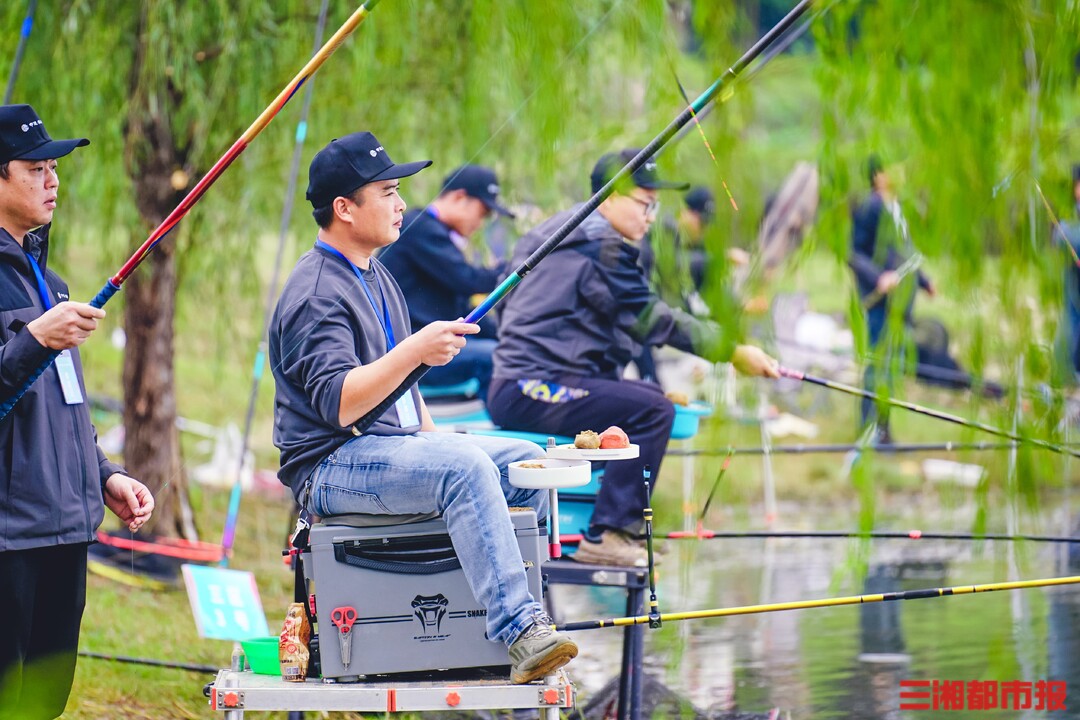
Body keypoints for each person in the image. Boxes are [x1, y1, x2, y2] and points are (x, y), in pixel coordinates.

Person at [268, 131, 577, 684]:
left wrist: (434, 435)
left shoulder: (376, 272)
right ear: (344, 208)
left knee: (527, 461)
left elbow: (405, 393)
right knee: (464, 469)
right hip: (332, 464)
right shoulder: (316, 291)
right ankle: (520, 628)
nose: (402, 203)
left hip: (388, 448)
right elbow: (339, 405)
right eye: (386, 191)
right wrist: (417, 350)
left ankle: (505, 622)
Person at [487, 149, 780, 567]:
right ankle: (608, 534)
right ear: (609, 197)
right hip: (530, 387)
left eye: (656, 206)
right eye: (645, 204)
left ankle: (611, 525)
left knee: (646, 395)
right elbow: (652, 319)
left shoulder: (551, 233)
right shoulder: (599, 245)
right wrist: (732, 351)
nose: (651, 217)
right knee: (653, 410)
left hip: (524, 382)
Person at [0, 104, 154, 719]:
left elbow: (65, 407)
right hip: (9, 538)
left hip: (65, 529)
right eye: (36, 168)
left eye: (55, 167)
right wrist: (35, 338)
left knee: (44, 703)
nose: (53, 180)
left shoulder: (50, 282)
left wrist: (104, 474)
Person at [380, 165, 512, 401]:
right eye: (482, 213)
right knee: (495, 357)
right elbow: (468, 280)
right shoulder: (419, 228)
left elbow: (463, 310)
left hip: (436, 342)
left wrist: (508, 336)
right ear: (460, 198)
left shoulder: (435, 234)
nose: (480, 223)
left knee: (506, 348)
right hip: (409, 353)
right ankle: (506, 424)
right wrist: (515, 269)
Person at [849, 156, 935, 443]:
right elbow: (853, 253)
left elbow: (906, 255)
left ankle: (883, 429)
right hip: (879, 302)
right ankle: (871, 427)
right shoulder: (870, 207)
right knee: (879, 364)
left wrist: (923, 281)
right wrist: (877, 277)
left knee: (893, 365)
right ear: (878, 175)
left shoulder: (897, 206)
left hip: (901, 303)